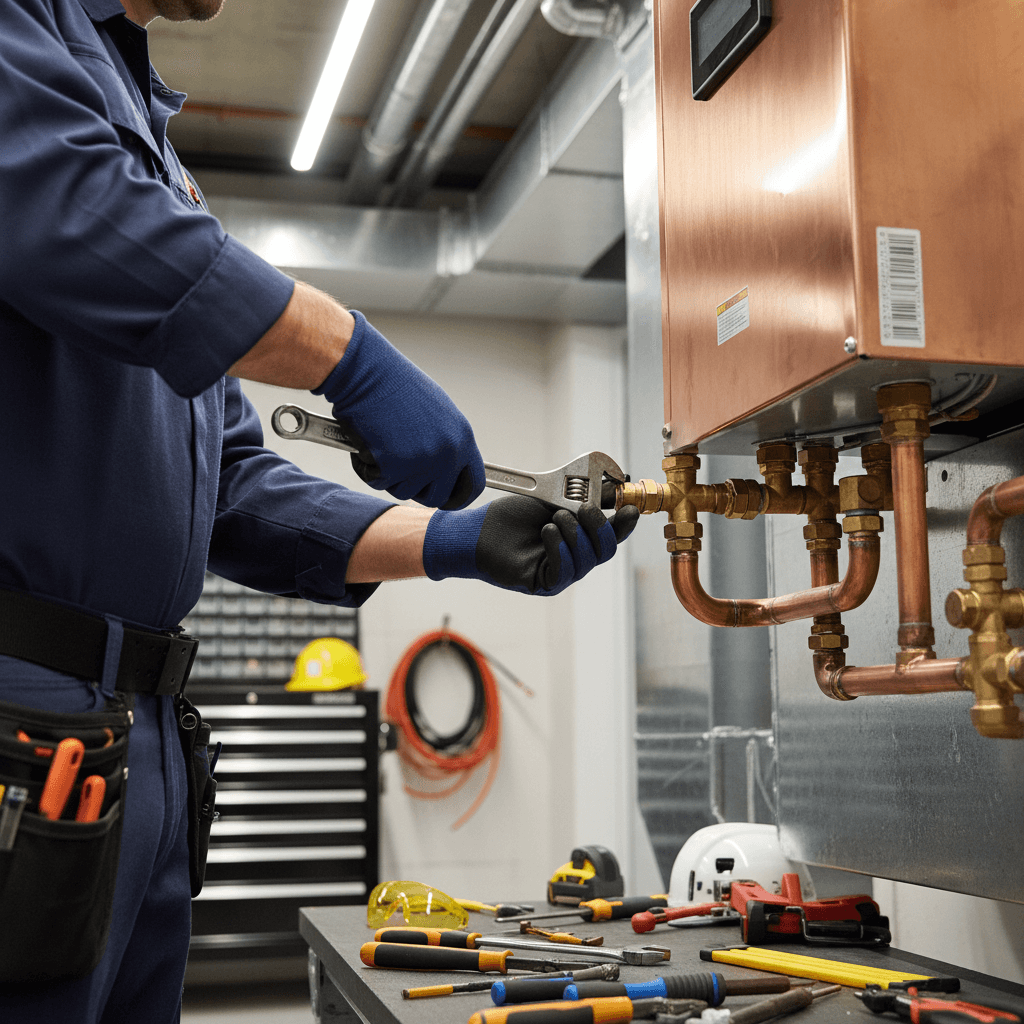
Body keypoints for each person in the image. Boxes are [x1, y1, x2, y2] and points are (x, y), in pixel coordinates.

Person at [0, 0, 639, 1020]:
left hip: (140, 734)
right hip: (23, 707)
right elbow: (67, 213)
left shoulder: (155, 143)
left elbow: (234, 484)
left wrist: (453, 542)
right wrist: (350, 351)